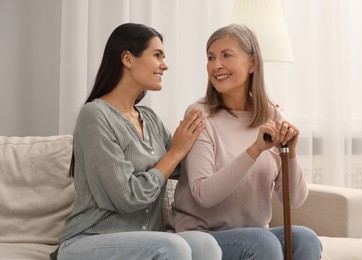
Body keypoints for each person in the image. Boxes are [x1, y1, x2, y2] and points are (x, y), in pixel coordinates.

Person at [54, 23, 222, 260]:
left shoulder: (150, 119)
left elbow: (187, 169)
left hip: (144, 241)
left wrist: (244, 124)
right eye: (157, 55)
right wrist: (174, 152)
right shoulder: (95, 116)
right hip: (89, 241)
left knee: (205, 244)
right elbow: (127, 197)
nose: (165, 65)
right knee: (173, 247)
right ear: (128, 58)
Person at [167, 24, 322, 259]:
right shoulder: (200, 115)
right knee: (261, 241)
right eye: (211, 57)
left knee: (305, 238)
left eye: (226, 55)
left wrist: (289, 153)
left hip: (254, 235)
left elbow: (295, 200)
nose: (216, 65)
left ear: (253, 64)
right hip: (201, 237)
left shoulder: (272, 115)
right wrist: (256, 149)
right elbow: (203, 195)